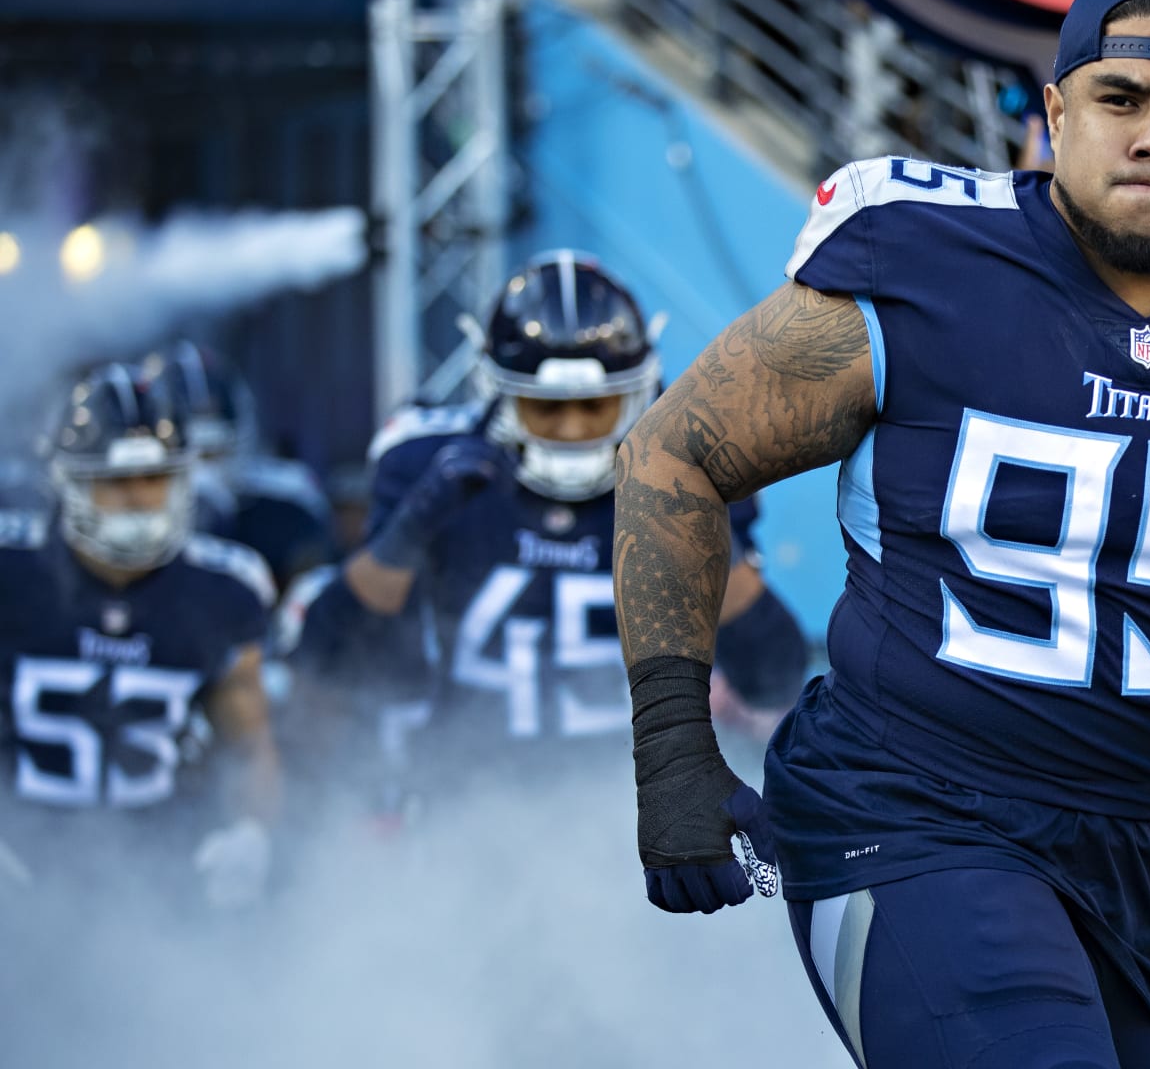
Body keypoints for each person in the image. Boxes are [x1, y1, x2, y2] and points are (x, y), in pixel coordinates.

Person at [612, 0, 1150, 1068]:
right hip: (912, 804)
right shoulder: (922, 259)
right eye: (1119, 98)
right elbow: (673, 453)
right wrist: (672, 752)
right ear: (1056, 116)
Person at [300, 250, 808, 800]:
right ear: (502, 391)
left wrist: (705, 529)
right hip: (460, 799)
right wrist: (412, 528)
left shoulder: (694, 465)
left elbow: (773, 675)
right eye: (547, 407)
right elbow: (329, 656)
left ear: (636, 391)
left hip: (629, 812)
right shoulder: (429, 461)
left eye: (595, 406)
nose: (572, 429)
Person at [0, 362, 280, 910]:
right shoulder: (14, 571)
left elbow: (248, 748)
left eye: (155, 479)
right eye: (115, 482)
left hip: (160, 883)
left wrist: (251, 832)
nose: (139, 500)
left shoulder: (225, 588)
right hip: (19, 870)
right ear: (69, 481)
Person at [140, 340, 337, 594]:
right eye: (186, 455)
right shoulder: (121, 509)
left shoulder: (288, 503)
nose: (203, 471)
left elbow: (309, 601)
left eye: (213, 452)